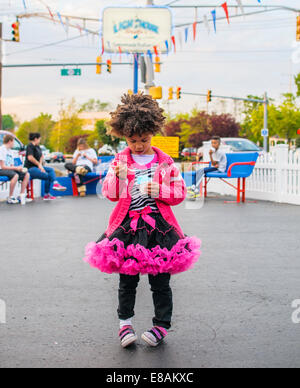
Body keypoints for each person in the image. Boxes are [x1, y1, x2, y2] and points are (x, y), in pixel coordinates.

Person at [84, 94, 201, 348]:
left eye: (144, 140)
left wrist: (160, 191)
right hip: (127, 229)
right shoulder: (119, 161)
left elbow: (180, 193)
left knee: (160, 282)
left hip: (159, 230)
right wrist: (119, 177)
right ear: (124, 136)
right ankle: (124, 324)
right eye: (132, 140)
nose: (138, 145)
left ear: (153, 133)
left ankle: (161, 325)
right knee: (127, 281)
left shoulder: (166, 163)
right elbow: (111, 194)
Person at [24, 133, 66, 201]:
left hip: (37, 167)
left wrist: (41, 167)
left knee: (51, 170)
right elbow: (30, 157)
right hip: (30, 169)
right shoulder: (30, 146)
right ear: (35, 139)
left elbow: (41, 157)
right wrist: (39, 166)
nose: (40, 141)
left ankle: (55, 184)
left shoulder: (38, 146)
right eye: (39, 139)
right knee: (47, 175)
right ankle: (47, 194)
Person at [0, 134, 32, 205]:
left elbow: (11, 165)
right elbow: (3, 166)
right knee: (15, 175)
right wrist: (15, 168)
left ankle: (21, 195)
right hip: (1, 170)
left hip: (8, 170)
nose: (14, 144)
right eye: (13, 142)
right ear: (10, 141)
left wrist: (19, 169)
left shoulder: (10, 151)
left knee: (26, 174)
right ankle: (10, 197)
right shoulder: (2, 150)